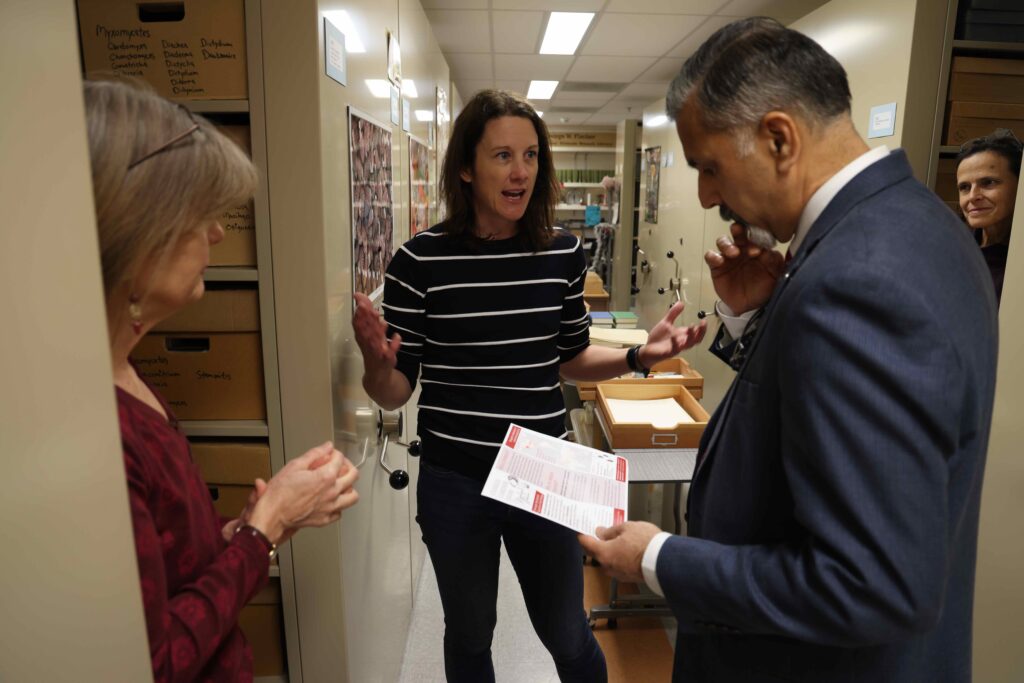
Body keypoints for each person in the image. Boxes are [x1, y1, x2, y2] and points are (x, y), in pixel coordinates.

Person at [579, 17, 998, 683]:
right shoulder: (918, 226)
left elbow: (873, 583)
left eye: (709, 167)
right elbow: (823, 430)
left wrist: (660, 556)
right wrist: (756, 320)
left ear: (778, 137)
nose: (707, 196)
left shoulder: (860, 275)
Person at [352, 89, 707, 683]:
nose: (520, 172)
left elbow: (570, 357)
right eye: (501, 156)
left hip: (543, 464)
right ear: (466, 167)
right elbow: (395, 391)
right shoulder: (418, 262)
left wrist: (639, 356)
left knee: (567, 632)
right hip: (456, 477)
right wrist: (373, 361)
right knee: (469, 635)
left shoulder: (562, 253)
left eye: (531, 155)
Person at [83, 79, 360, 682]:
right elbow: (153, 662)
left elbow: (165, 566)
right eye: (199, 215)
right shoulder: (89, 429)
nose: (216, 234)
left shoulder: (122, 371)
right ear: (135, 229)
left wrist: (243, 528)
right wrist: (265, 530)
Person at [956, 127, 1021, 305]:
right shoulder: (950, 246)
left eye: (988, 182)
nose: (973, 196)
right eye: (965, 187)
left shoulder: (1015, 263)